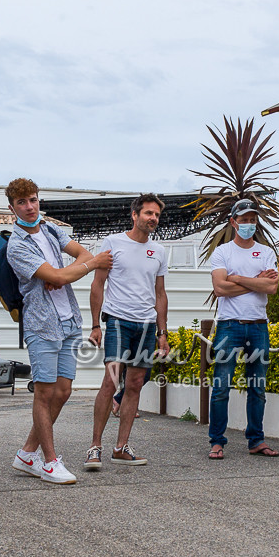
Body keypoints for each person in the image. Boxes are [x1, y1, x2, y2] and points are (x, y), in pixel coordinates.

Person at [4, 178, 110, 485]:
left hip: (68, 321)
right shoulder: (17, 245)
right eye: (22, 203)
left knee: (62, 392)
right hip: (42, 324)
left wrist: (64, 275)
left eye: (33, 200)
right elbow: (84, 264)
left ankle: (26, 453)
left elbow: (83, 256)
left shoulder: (50, 229)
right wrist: (64, 274)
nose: (29, 206)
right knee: (44, 393)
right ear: (12, 208)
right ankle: (49, 462)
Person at [84, 193, 170, 470]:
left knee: (134, 385)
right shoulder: (112, 243)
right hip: (118, 322)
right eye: (148, 213)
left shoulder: (158, 251)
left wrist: (162, 333)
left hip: (146, 326)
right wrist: (96, 324)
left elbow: (160, 294)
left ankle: (120, 447)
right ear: (135, 215)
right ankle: (94, 447)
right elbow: (98, 285)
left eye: (156, 214)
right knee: (110, 381)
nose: (153, 218)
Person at [206, 200, 279, 460]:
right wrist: (256, 282)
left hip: (259, 326)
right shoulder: (222, 252)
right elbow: (220, 288)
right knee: (221, 386)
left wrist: (236, 278)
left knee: (257, 387)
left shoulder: (267, 251)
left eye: (252, 219)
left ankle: (256, 440)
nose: (249, 224)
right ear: (233, 222)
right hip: (229, 326)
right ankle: (216, 441)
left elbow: (272, 288)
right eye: (244, 219)